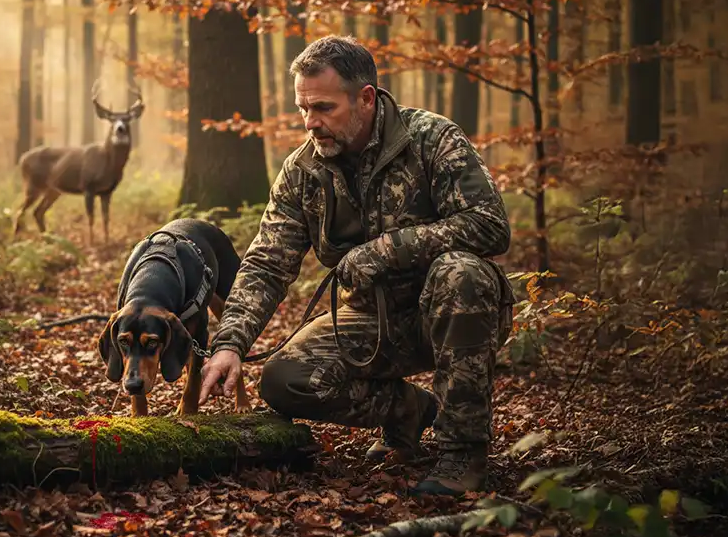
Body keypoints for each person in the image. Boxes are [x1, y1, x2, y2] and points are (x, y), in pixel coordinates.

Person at [197, 35, 516, 496]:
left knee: (460, 273)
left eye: (324, 108)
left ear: (366, 98)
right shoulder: (302, 170)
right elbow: (267, 263)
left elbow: (490, 226)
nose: (311, 123)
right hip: (370, 319)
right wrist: (229, 345)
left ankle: (462, 452)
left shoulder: (431, 138)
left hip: (455, 312)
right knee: (285, 381)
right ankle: (411, 412)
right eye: (303, 109)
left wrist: (386, 249)